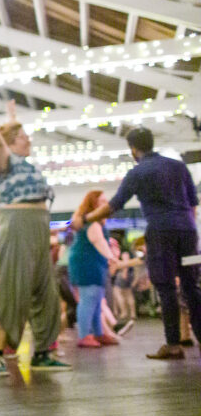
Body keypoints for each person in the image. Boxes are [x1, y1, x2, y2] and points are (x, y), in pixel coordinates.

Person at [76, 126, 200, 360]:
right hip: (188, 233)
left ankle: (173, 345)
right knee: (192, 286)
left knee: (166, 289)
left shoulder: (138, 172)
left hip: (161, 234)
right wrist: (188, 229)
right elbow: (193, 204)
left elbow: (114, 205)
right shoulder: (179, 166)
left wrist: (85, 218)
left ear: (133, 149)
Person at [0, 114, 70, 375]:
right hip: (17, 224)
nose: (28, 139)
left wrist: (11, 115)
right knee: (13, 289)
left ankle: (42, 352)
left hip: (39, 225)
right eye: (22, 136)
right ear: (9, 143)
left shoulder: (27, 166)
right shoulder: (4, 162)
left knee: (45, 291)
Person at [68, 191, 121, 348]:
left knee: (96, 300)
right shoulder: (93, 223)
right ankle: (85, 335)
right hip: (87, 264)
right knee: (89, 299)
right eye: (102, 201)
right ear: (93, 204)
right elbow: (98, 241)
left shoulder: (92, 221)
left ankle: (98, 333)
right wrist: (111, 256)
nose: (106, 204)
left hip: (93, 264)